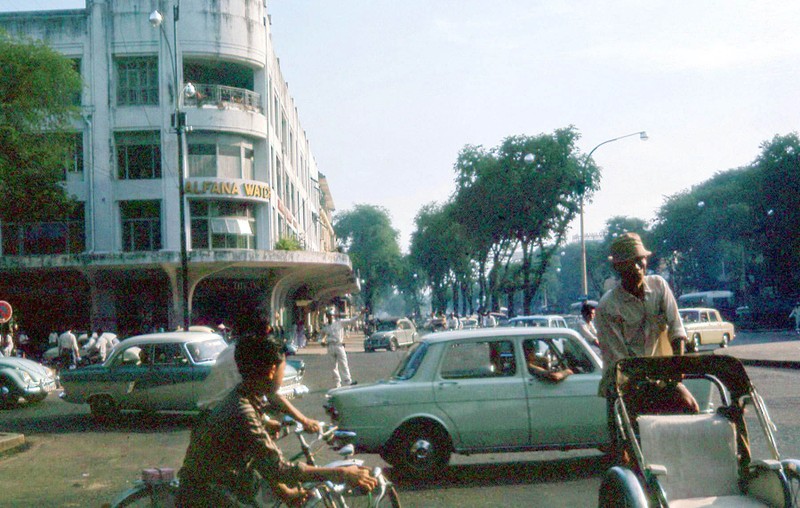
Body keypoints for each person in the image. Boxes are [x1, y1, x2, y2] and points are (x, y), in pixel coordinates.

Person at [176, 334, 377, 507]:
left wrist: (286, 493)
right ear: (272, 370)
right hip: (207, 496)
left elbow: (260, 461)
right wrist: (341, 473)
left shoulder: (243, 398)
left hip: (218, 486)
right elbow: (279, 468)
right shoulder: (243, 411)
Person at [595, 232, 699, 460]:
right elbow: (618, 361)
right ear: (618, 268)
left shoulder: (659, 286)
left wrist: (677, 366)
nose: (636, 266)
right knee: (631, 449)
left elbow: (677, 330)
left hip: (660, 375)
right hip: (625, 384)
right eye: (629, 262)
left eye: (639, 259)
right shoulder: (607, 307)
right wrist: (653, 380)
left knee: (689, 406)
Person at [320, 310, 361, 388]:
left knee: (344, 364)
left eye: (331, 315)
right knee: (333, 366)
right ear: (327, 317)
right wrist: (321, 342)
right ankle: (337, 383)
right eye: (328, 316)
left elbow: (351, 320)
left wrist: (360, 314)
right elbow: (321, 336)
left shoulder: (339, 322)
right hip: (330, 346)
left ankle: (348, 381)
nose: (330, 317)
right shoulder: (326, 326)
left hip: (339, 345)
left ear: (333, 316)